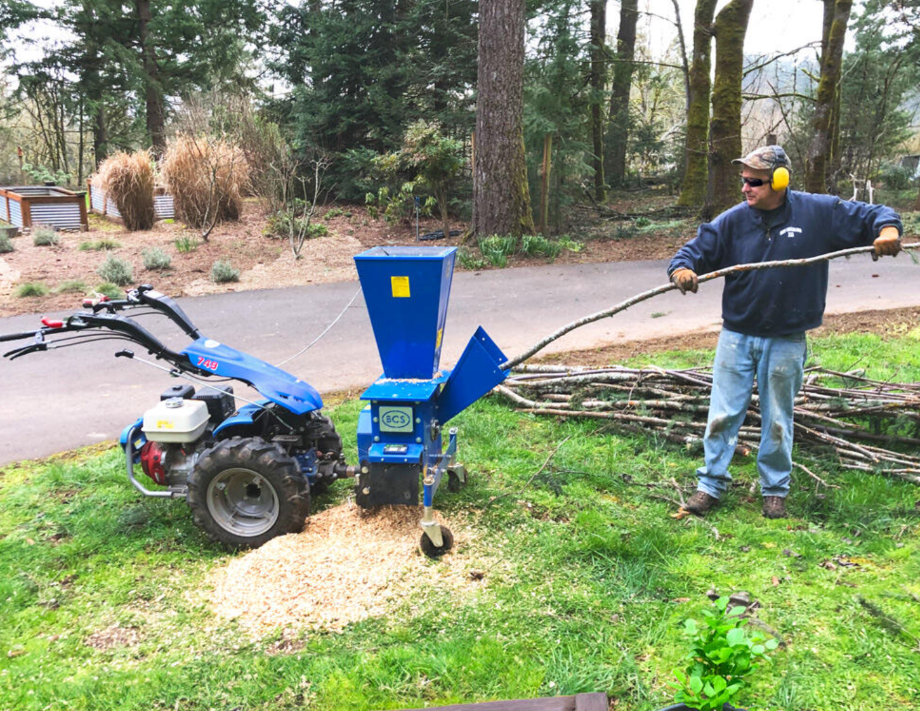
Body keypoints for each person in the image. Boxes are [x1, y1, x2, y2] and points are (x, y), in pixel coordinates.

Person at [668, 145, 902, 519]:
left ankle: (774, 490)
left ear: (780, 180)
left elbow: (876, 215)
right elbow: (692, 252)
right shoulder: (733, 220)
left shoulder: (817, 212)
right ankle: (709, 485)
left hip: (787, 338)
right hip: (737, 335)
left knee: (778, 417)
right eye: (743, 180)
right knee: (723, 415)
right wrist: (682, 270)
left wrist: (888, 230)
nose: (745, 188)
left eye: (754, 181)